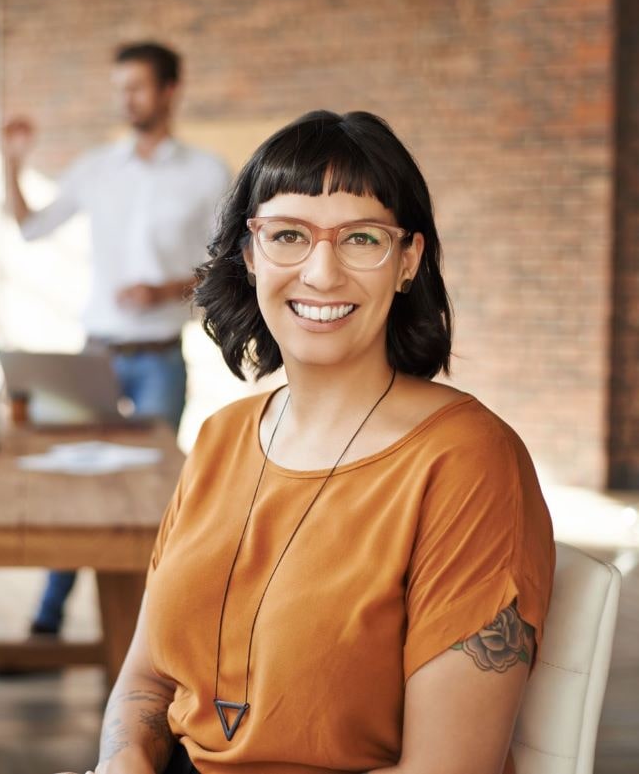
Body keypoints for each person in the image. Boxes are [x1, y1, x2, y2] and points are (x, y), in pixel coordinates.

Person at [60, 111, 556, 774]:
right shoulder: (221, 437)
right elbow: (148, 679)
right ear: (249, 254)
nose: (321, 273)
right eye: (288, 234)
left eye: (361, 239)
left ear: (407, 261)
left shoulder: (466, 459)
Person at [3, 41, 231, 640]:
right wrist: (11, 162)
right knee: (77, 486)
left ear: (170, 91)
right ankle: (47, 622)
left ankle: (151, 637)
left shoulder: (207, 173)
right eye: (120, 88)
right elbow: (30, 228)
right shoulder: (97, 167)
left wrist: (166, 290)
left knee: (150, 499)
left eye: (137, 87)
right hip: (95, 357)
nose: (125, 99)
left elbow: (231, 264)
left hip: (159, 360)